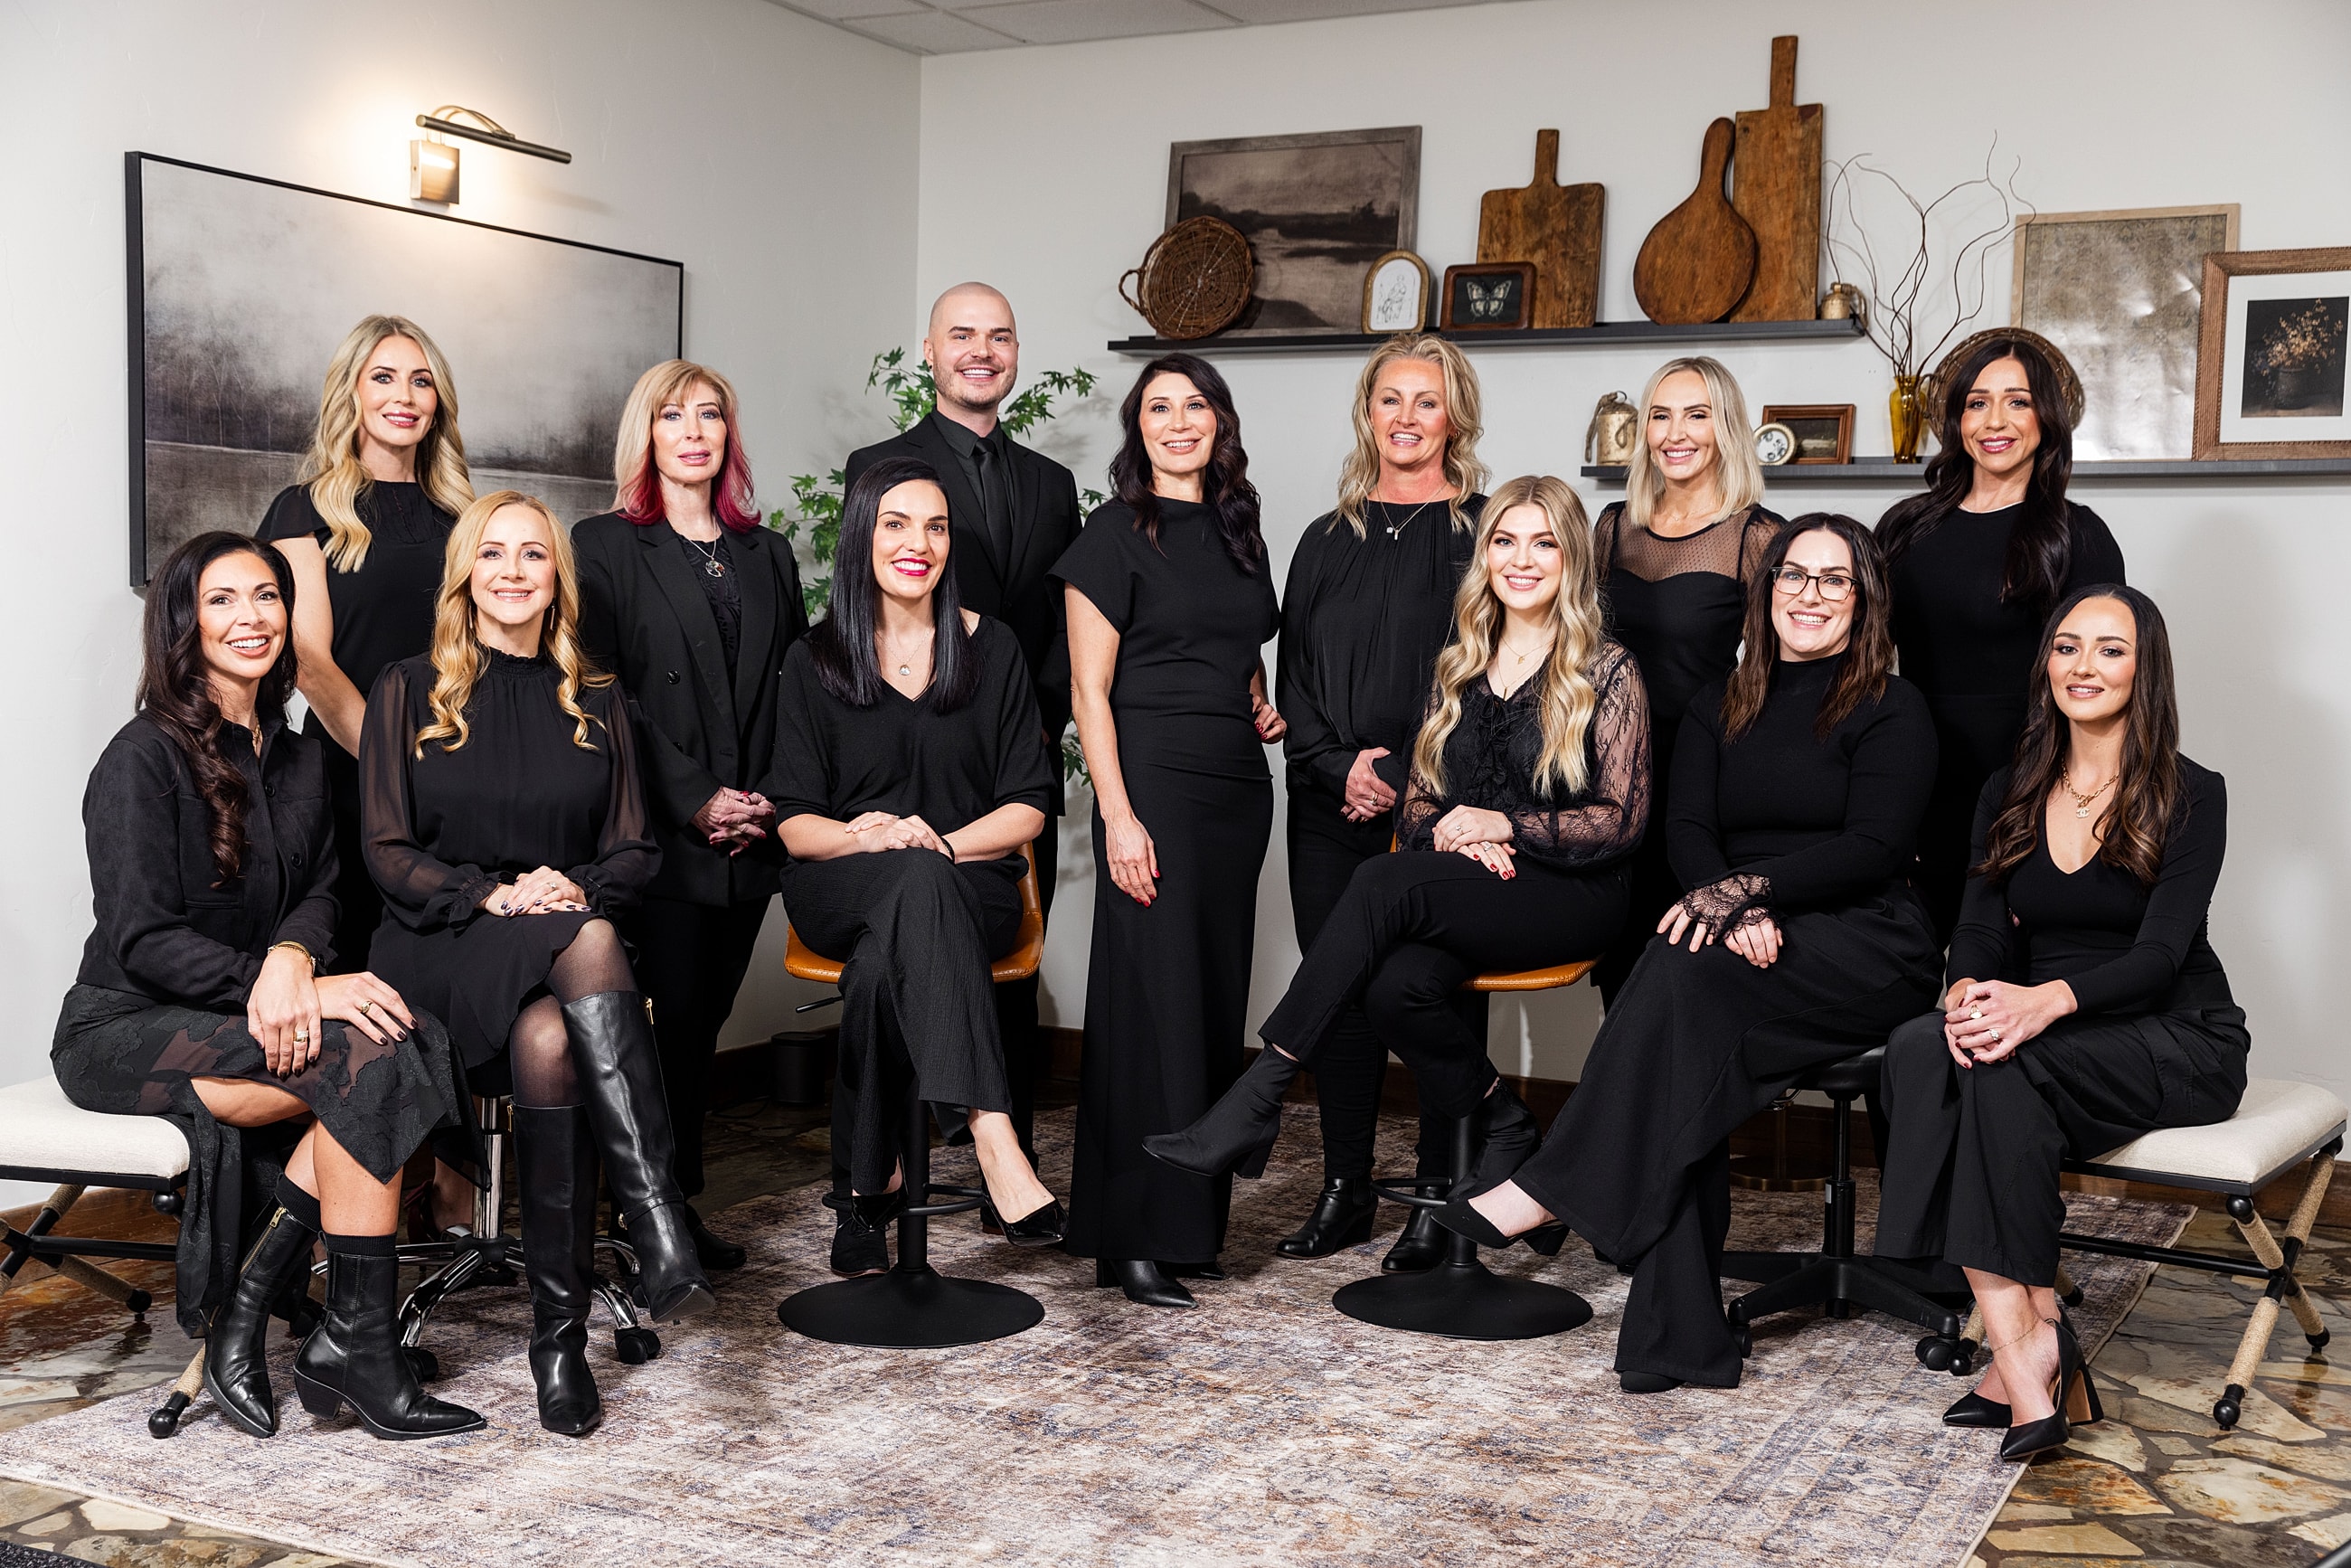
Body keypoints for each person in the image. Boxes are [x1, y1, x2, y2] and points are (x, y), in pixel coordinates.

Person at [1438, 515, 1941, 1395]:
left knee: (1679, 984)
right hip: (1742, 935)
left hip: (1866, 940)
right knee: (1687, 1037)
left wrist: (1748, 893)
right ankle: (1675, 1342)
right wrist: (1722, 898)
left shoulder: (1891, 707)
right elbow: (1686, 830)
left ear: (1863, 601)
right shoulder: (1721, 699)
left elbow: (1871, 846)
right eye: (1791, 576)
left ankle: (1556, 1185)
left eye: (1832, 580)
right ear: (1765, 589)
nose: (1807, 595)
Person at [54, 532, 479, 1440]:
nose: (250, 618)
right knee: (364, 1062)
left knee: (401, 1042)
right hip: (125, 1026)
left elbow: (324, 889)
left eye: (267, 597)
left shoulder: (296, 757)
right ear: (183, 622)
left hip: (244, 1007)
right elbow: (140, 939)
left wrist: (294, 962)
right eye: (221, 601)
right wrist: (282, 988)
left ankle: (275, 1316)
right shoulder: (141, 759)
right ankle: (337, 1345)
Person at [1147, 477, 1648, 1214]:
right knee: (1394, 988)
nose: (1522, 560)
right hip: (1480, 883)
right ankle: (1508, 1124)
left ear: (1572, 559)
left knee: (1382, 884)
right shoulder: (1458, 665)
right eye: (1505, 541)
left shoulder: (1607, 670)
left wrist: (1499, 824)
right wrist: (1456, 832)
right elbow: (1416, 806)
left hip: (1574, 891)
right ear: (1485, 557)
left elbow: (1618, 820)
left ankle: (1261, 1091)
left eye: (1544, 543)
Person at [361, 491, 712, 1438]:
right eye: (493, 554)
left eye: (533, 556)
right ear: (465, 573)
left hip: (554, 944)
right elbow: (386, 851)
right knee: (591, 942)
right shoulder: (407, 687)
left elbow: (637, 852)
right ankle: (657, 1221)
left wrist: (566, 883)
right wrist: (490, 895)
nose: (513, 572)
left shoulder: (596, 700)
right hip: (440, 942)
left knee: (556, 1034)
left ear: (557, 575)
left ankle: (556, 1343)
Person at [1875, 585, 2242, 1462]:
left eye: (2108, 650)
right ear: (2044, 664)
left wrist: (2038, 1003)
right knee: (1922, 1045)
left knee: (1998, 1064)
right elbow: (1974, 923)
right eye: (2065, 647)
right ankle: (2025, 1337)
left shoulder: (2192, 794)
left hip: (2172, 1034)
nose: (2083, 667)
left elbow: (2158, 957)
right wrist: (1967, 988)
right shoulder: (2009, 786)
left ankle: (2015, 1363)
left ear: (2143, 668)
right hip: (2046, 1034)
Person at [761, 458, 1067, 1275]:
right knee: (904, 891)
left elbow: (1029, 806)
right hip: (842, 879)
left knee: (877, 972)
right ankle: (992, 1136)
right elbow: (794, 825)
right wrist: (872, 838)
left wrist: (939, 842)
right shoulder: (813, 659)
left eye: (935, 526)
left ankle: (868, 1190)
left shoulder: (991, 649)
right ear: (862, 534)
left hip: (970, 880)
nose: (917, 543)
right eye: (895, 523)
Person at [1055, 353, 1284, 1309]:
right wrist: (1116, 815)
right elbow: (1087, 691)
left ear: (1218, 421)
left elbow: (1228, 643)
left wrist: (1258, 694)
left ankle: (1187, 1226)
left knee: (1206, 1001)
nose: (1178, 421)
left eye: (1195, 405)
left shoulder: (1240, 531)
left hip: (1236, 790)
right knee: (1148, 1006)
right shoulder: (1110, 536)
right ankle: (1126, 1237)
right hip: (1152, 782)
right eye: (1159, 407)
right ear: (1136, 427)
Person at [575, 360, 808, 1270]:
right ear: (648, 433)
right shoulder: (601, 545)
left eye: (710, 414)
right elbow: (600, 693)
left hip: (749, 834)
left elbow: (797, 689)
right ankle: (643, 1211)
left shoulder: (767, 553)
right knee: (654, 1023)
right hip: (653, 832)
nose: (694, 429)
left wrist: (767, 800)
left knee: (701, 1025)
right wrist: (695, 797)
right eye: (673, 415)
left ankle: (674, 1206)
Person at [844, 284, 1081, 1167]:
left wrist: (1030, 730)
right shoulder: (880, 464)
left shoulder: (1053, 487)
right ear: (930, 352)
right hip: (908, 770)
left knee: (1014, 960)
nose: (982, 351)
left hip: (1017, 770)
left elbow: (1061, 630)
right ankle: (892, 1169)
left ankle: (999, 1164)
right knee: (898, 951)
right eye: (962, 336)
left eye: (1000, 337)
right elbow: (861, 613)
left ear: (1015, 354)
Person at [1272, 334, 1491, 1271]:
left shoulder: (1487, 532)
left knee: (1435, 990)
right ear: (1367, 413)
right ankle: (1345, 1186)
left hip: (1442, 808)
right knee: (1344, 997)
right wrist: (1336, 767)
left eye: (1425, 401)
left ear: (1455, 417)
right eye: (1388, 400)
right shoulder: (1324, 539)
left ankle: (1444, 1195)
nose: (1405, 418)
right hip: (1329, 806)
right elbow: (1292, 682)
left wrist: (1405, 773)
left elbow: (1495, 679)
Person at [1878, 336, 2124, 941]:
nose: (1995, 422)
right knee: (1907, 981)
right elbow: (1861, 660)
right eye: (1977, 403)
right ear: (1957, 418)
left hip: (2027, 790)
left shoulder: (2078, 536)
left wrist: (2078, 814)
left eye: (2017, 402)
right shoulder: (1905, 527)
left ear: (2047, 417)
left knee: (2006, 987)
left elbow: (2104, 691)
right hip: (1918, 787)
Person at [258, 314, 474, 977]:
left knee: (457, 965)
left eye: (421, 381)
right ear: (350, 392)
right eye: (383, 378)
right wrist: (395, 766)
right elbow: (308, 661)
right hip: (352, 776)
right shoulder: (302, 510)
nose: (403, 397)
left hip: (462, 767)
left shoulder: (467, 516)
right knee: (360, 969)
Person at [1590, 356, 1782, 1006]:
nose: (1677, 432)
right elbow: (1576, 648)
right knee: (1615, 950)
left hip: (1695, 772)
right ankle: (1617, 1106)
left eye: (1697, 414)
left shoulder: (1756, 535)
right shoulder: (1613, 527)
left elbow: (1780, 671)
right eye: (1661, 415)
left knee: (1679, 957)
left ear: (1725, 426)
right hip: (1606, 768)